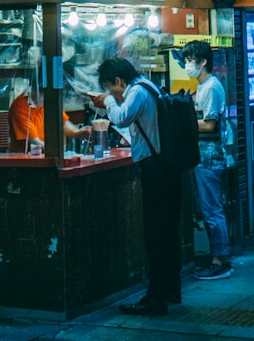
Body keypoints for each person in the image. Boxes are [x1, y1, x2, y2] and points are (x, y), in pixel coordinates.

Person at [96, 57, 182, 318]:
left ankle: (156, 299)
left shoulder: (137, 91)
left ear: (119, 81)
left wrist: (107, 101)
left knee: (156, 234)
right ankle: (167, 291)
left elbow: (121, 118)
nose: (112, 92)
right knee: (167, 232)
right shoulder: (150, 85)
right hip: (167, 166)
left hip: (155, 170)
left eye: (111, 87)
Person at [184, 41, 232, 280]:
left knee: (212, 209)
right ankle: (216, 256)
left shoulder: (211, 87)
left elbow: (210, 124)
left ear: (203, 62)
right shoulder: (201, 87)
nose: (186, 65)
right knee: (207, 207)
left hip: (210, 156)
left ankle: (220, 260)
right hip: (202, 155)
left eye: (190, 60)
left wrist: (183, 123)